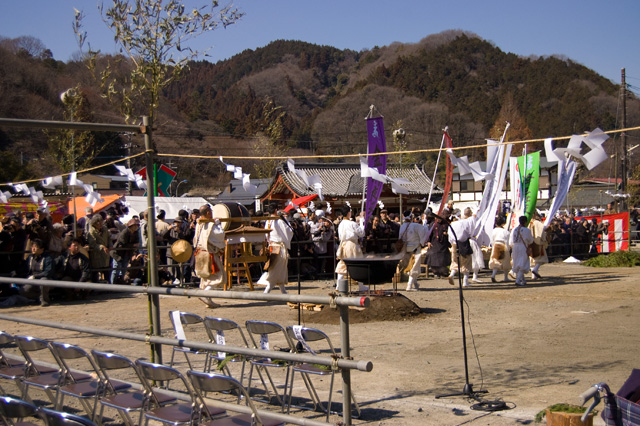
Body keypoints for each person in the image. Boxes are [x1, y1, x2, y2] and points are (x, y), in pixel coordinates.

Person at [193, 204, 226, 307]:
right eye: (210, 212)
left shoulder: (199, 222)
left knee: (206, 278)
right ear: (207, 213)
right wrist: (218, 224)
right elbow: (219, 235)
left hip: (200, 252)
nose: (212, 214)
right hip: (208, 254)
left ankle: (208, 301)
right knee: (218, 276)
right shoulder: (209, 224)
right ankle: (204, 294)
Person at [256, 206, 293, 294]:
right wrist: (286, 220)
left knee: (279, 269)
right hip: (278, 247)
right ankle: (267, 290)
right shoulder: (279, 221)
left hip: (272, 246)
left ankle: (283, 290)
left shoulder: (268, 221)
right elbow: (289, 231)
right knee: (276, 269)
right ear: (276, 210)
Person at [334, 206, 367, 292]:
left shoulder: (341, 224)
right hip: (352, 245)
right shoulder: (352, 223)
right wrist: (361, 224)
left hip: (343, 244)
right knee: (358, 264)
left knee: (343, 265)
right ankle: (361, 286)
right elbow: (362, 233)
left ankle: (338, 285)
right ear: (349, 213)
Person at [447, 207, 476, 287]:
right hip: (463, 243)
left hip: (454, 243)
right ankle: (465, 281)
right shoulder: (464, 222)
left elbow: (450, 237)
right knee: (466, 262)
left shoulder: (451, 224)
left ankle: (452, 274)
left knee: (455, 261)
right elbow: (469, 231)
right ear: (459, 215)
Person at [23, 238, 55, 306]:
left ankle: (44, 300)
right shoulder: (30, 257)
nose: (33, 249)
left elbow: (48, 272)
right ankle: (37, 298)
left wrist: (35, 276)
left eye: (36, 247)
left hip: (47, 279)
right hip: (33, 279)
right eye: (32, 247)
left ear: (42, 249)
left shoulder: (48, 258)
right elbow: (25, 269)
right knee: (23, 290)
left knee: (44, 281)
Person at [399, 215, 427, 291]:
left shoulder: (402, 226)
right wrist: (421, 244)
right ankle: (409, 286)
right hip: (415, 248)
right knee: (414, 267)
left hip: (406, 248)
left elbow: (400, 238)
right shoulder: (417, 226)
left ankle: (415, 283)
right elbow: (422, 237)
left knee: (409, 266)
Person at [110, 219, 140, 284]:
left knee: (124, 269)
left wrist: (134, 251)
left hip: (127, 253)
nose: (136, 227)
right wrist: (133, 245)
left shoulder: (136, 233)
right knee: (116, 269)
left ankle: (120, 282)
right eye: (134, 225)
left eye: (137, 225)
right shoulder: (125, 232)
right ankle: (112, 284)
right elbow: (123, 242)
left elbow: (137, 243)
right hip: (118, 252)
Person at [86, 214, 112, 282]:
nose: (100, 224)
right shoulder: (91, 231)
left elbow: (109, 238)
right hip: (96, 255)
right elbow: (92, 243)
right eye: (98, 222)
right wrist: (101, 247)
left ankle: (108, 288)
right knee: (95, 272)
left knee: (107, 271)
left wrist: (110, 245)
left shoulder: (105, 229)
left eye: (101, 221)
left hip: (106, 254)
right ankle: (95, 288)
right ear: (94, 223)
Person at [510, 215, 534, 286]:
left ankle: (522, 280)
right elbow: (530, 240)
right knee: (522, 263)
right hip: (522, 246)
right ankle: (517, 280)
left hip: (515, 246)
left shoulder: (514, 229)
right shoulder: (527, 230)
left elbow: (511, 241)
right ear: (526, 222)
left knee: (517, 262)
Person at [425, 213, 451, 278]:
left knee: (443, 259)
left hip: (443, 244)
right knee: (434, 258)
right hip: (434, 243)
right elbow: (429, 234)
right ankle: (436, 272)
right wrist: (428, 241)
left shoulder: (445, 224)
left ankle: (443, 272)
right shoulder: (432, 225)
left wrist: (446, 234)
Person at [489, 216, 511, 283]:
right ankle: (506, 277)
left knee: (496, 260)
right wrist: (508, 248)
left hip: (496, 244)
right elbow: (508, 241)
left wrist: (493, 246)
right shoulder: (505, 231)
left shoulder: (494, 230)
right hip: (503, 244)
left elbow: (492, 239)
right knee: (505, 261)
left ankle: (493, 275)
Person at [528, 212, 549, 279]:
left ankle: (533, 275)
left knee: (532, 259)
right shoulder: (537, 223)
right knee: (540, 258)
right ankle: (535, 270)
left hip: (530, 242)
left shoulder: (528, 223)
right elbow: (542, 229)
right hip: (538, 242)